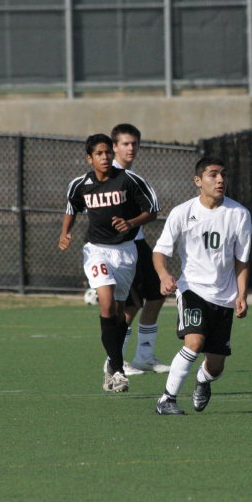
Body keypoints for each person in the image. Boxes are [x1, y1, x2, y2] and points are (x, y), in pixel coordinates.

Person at [59, 134, 159, 393]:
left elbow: (152, 210)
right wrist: (65, 232)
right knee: (106, 301)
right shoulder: (80, 185)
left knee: (119, 312)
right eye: (99, 154)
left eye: (107, 153)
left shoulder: (128, 180)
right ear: (89, 158)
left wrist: (131, 223)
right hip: (96, 250)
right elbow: (72, 207)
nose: (105, 157)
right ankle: (117, 369)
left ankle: (111, 366)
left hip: (125, 252)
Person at [152, 157, 251, 415]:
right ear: (198, 181)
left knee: (215, 365)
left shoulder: (239, 214)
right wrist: (163, 274)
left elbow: (242, 260)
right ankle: (167, 399)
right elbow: (160, 251)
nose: (220, 180)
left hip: (224, 296)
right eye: (213, 175)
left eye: (223, 175)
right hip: (192, 290)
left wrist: (242, 294)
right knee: (194, 342)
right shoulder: (182, 212)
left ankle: (202, 380)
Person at [110, 123, 170, 375]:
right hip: (121, 248)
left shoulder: (134, 178)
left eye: (134, 143)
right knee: (130, 305)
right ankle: (114, 360)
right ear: (114, 147)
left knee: (157, 296)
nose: (130, 148)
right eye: (125, 143)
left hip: (139, 242)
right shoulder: (110, 177)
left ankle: (144, 356)